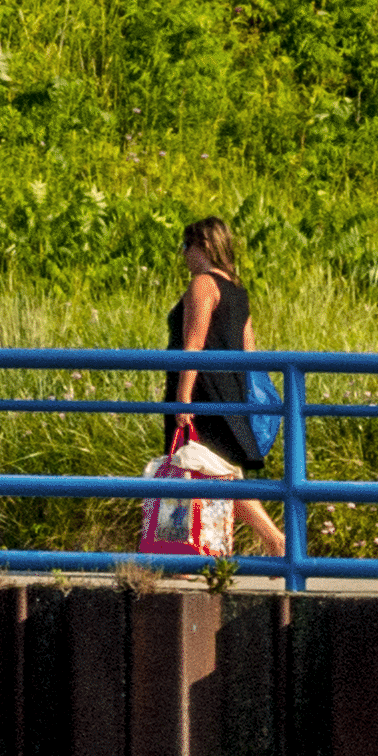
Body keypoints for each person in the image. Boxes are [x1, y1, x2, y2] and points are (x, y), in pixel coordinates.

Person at [141, 216, 286, 563]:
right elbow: (249, 349)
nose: (183, 254)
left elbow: (194, 343)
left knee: (205, 469)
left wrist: (182, 396)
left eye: (185, 246)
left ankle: (274, 540)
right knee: (213, 471)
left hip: (203, 390)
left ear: (202, 246)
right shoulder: (238, 289)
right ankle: (190, 556)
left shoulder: (203, 285)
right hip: (230, 390)